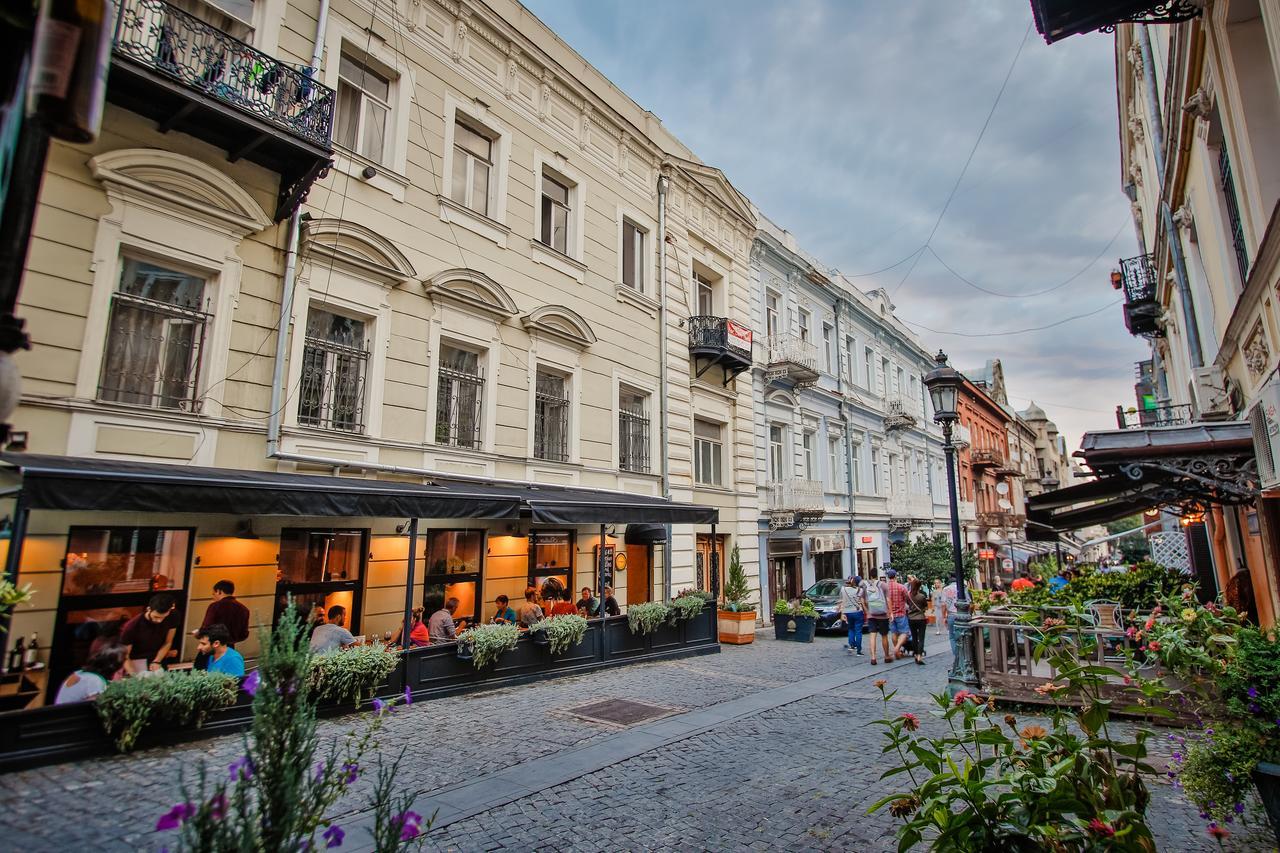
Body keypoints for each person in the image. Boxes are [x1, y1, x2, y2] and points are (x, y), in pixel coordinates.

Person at [192, 580, 251, 670]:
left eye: (213, 594)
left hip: (211, 646)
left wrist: (198, 634)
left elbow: (206, 628)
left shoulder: (215, 606)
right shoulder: (244, 609)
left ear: (219, 591)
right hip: (229, 647)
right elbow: (244, 634)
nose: (213, 597)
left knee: (201, 672)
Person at [120, 593, 181, 674]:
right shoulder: (131, 627)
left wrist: (157, 661)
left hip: (158, 656)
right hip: (137, 659)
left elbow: (168, 642)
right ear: (149, 609)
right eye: (156, 617)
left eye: (164, 617)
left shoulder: (173, 616)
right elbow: (125, 656)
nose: (160, 621)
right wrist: (134, 675)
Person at [54, 645, 126, 704]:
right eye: (121, 672)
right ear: (113, 668)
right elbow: (94, 710)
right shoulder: (95, 682)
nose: (121, 675)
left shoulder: (81, 673)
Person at [882, 569, 911, 661]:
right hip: (900, 613)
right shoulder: (901, 587)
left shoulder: (884, 587)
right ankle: (897, 648)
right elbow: (907, 598)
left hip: (890, 614)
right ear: (895, 576)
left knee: (894, 633)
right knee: (904, 632)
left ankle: (897, 650)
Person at [863, 568, 891, 665]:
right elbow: (888, 599)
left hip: (871, 614)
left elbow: (863, 600)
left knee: (872, 635)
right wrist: (890, 612)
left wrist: (867, 611)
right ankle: (887, 656)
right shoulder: (883, 585)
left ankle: (873, 658)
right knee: (884, 636)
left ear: (870, 575)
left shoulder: (865, 585)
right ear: (877, 575)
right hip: (883, 614)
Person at [836, 575, 868, 656]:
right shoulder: (860, 590)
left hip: (848, 612)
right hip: (858, 612)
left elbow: (841, 601)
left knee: (851, 629)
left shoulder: (843, 589)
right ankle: (859, 651)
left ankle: (852, 645)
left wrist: (841, 611)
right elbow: (863, 601)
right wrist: (866, 611)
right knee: (858, 631)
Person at [906, 578, 929, 665]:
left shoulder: (908, 595)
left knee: (914, 638)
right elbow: (925, 607)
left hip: (911, 618)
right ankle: (919, 656)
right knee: (921, 638)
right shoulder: (921, 596)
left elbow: (908, 604)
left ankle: (915, 655)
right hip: (920, 618)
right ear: (919, 586)